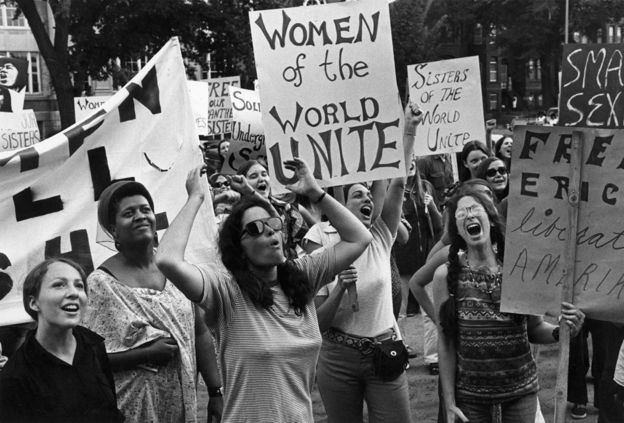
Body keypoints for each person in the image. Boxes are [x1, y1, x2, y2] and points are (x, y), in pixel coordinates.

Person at [155, 158, 372, 422]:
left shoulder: (301, 276)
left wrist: (316, 193)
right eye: (256, 229)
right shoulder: (226, 292)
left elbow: (360, 237)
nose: (271, 233)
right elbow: (167, 259)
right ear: (239, 247)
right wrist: (196, 198)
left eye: (275, 225)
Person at [302, 103, 421, 422]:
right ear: (341, 206)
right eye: (358, 195)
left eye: (369, 194)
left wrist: (409, 129)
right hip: (338, 358)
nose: (368, 198)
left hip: (385, 350)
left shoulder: (382, 236)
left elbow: (397, 183)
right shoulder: (324, 248)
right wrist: (340, 287)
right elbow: (318, 322)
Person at [432, 188, 585, 423]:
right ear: (457, 229)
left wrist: (562, 331)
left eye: (474, 209)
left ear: (490, 219)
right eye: (461, 214)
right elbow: (446, 343)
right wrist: (450, 404)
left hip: (520, 393)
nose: (469, 216)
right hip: (471, 398)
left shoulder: (519, 270)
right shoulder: (445, 276)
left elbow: (534, 329)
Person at [82, 181, 222, 423]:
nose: (140, 217)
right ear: (113, 230)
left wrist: (215, 391)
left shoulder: (177, 270)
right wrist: (143, 354)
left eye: (145, 210)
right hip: (129, 409)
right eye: (128, 213)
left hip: (180, 406)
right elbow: (88, 359)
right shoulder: (100, 284)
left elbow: (199, 334)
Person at [0, 258, 124, 423]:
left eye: (79, 285)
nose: (74, 293)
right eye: (59, 284)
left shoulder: (92, 344)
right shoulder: (15, 377)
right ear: (33, 302)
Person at [237, 159, 309, 259]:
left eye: (264, 174)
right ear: (242, 182)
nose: (261, 179)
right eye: (254, 176)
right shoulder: (236, 216)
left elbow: (310, 244)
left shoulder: (287, 209)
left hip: (287, 270)